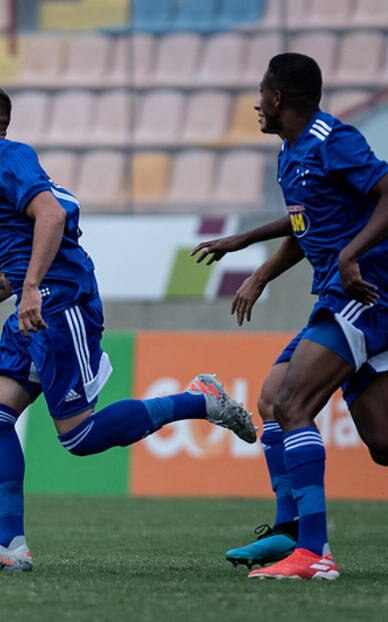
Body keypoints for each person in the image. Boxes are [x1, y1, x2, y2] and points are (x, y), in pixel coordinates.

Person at [0, 82, 257, 572]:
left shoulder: (6, 156)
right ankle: (11, 546)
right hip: (34, 307)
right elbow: (13, 267)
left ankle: (202, 400)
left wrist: (32, 289)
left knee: (79, 438)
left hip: (60, 304)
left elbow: (50, 213)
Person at [192, 53, 388, 580]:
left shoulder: (334, 139)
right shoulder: (291, 152)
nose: (257, 102)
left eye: (262, 92)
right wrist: (253, 259)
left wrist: (350, 256)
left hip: (368, 293)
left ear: (278, 97)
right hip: (336, 294)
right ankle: (289, 531)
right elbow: (311, 223)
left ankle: (314, 551)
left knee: (291, 401)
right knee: (374, 440)